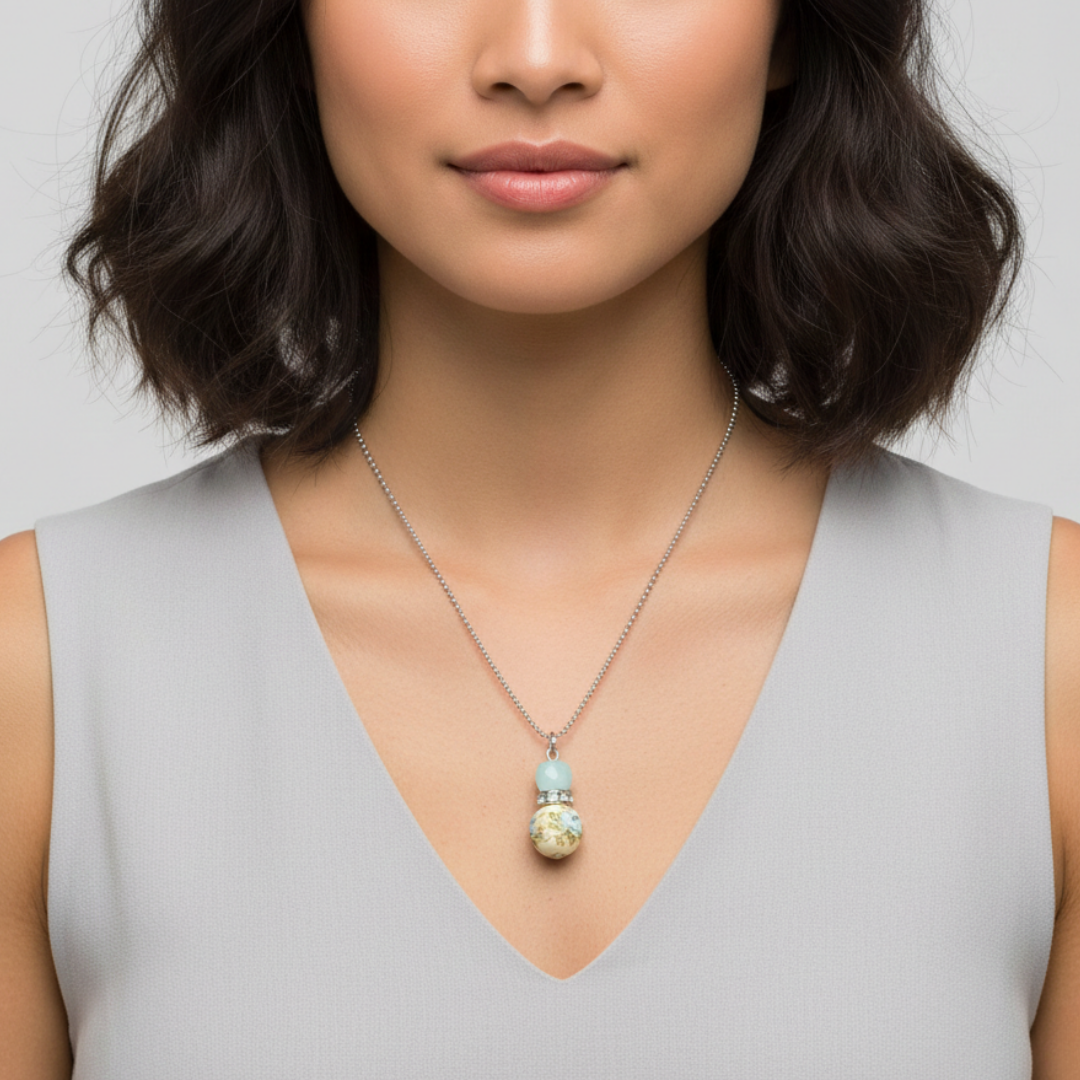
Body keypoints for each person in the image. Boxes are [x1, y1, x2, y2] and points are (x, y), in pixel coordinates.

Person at [1, 0, 1077, 1074]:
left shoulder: (1048, 662)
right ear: (289, 24)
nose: (536, 58)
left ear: (791, 26)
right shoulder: (39, 672)